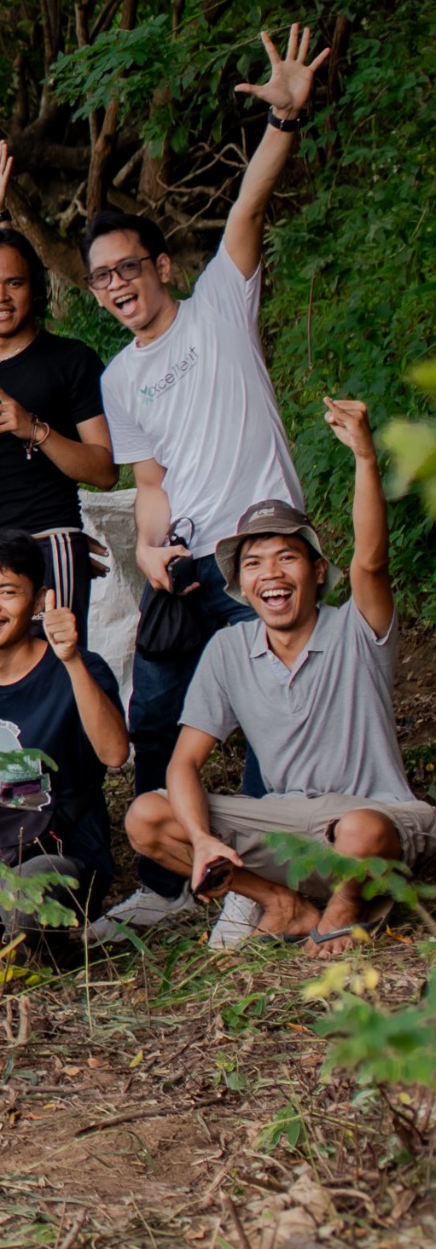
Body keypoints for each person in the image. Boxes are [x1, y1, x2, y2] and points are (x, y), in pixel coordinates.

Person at [89, 27, 326, 938]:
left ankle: (260, 889)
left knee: (271, 721)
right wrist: (149, 549)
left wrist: (285, 116)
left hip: (260, 550)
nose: (117, 286)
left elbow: (245, 209)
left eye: (129, 269)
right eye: (102, 277)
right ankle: (166, 882)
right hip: (186, 567)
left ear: (164, 267)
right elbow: (151, 475)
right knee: (157, 717)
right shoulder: (120, 375)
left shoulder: (223, 303)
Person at [124, 402, 427, 957]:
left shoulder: (356, 630)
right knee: (148, 815)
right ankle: (283, 903)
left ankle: (343, 909)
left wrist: (364, 454)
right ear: (241, 582)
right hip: (288, 821)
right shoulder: (229, 647)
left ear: (316, 572)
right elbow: (184, 761)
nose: (272, 574)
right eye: (256, 562)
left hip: (375, 817)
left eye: (287, 557)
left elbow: (371, 563)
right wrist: (202, 839)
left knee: (361, 828)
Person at [0, 152, 116, 651]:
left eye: (14, 284)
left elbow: (105, 470)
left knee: (51, 680)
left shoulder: (71, 360)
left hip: (48, 542)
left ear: (34, 291)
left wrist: (34, 429)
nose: (0, 296)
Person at [0, 531, 129, 925]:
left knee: (22, 894)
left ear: (38, 600)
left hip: (55, 852)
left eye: (8, 592)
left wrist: (70, 660)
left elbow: (115, 754)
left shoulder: (79, 668)